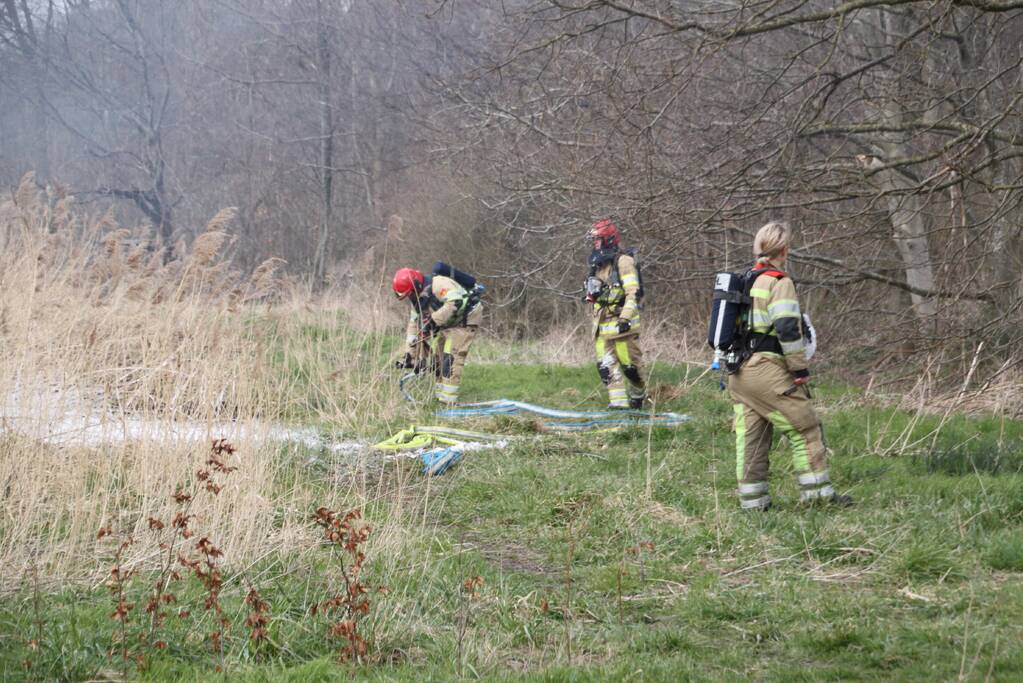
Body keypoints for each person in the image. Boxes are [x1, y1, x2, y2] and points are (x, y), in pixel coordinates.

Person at [727, 222, 852, 510]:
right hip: (766, 370)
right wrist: (799, 369)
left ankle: (753, 502)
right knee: (805, 428)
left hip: (739, 374)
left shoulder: (745, 281)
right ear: (784, 250)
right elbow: (787, 329)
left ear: (759, 248)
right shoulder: (778, 282)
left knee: (752, 439)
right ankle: (819, 497)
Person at [392, 266, 482, 404]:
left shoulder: (439, 284)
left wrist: (433, 321)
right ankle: (441, 398)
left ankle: (449, 403)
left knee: (450, 359)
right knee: (437, 361)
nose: (409, 298)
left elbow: (455, 302)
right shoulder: (418, 300)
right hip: (449, 324)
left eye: (409, 294)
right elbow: (413, 326)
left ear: (416, 286)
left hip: (465, 320)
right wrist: (410, 355)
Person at [585, 219, 646, 409]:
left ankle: (638, 397)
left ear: (608, 240)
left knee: (630, 368)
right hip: (601, 328)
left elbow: (632, 292)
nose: (595, 244)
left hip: (622, 327)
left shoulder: (623, 261)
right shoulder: (599, 265)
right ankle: (618, 406)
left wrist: (625, 318)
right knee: (606, 368)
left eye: (598, 240)